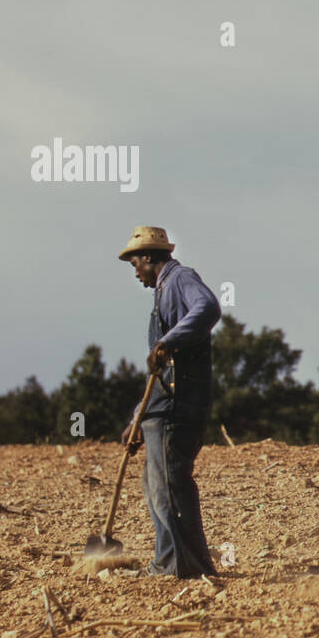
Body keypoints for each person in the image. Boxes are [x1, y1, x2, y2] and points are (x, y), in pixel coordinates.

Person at [117, 226, 221, 579]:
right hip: (163, 406)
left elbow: (208, 308)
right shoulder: (162, 292)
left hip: (180, 405)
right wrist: (137, 418)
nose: (136, 273)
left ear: (149, 257)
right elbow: (157, 375)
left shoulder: (180, 279)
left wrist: (168, 342)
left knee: (170, 486)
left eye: (136, 265)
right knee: (156, 485)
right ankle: (168, 562)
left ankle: (186, 566)